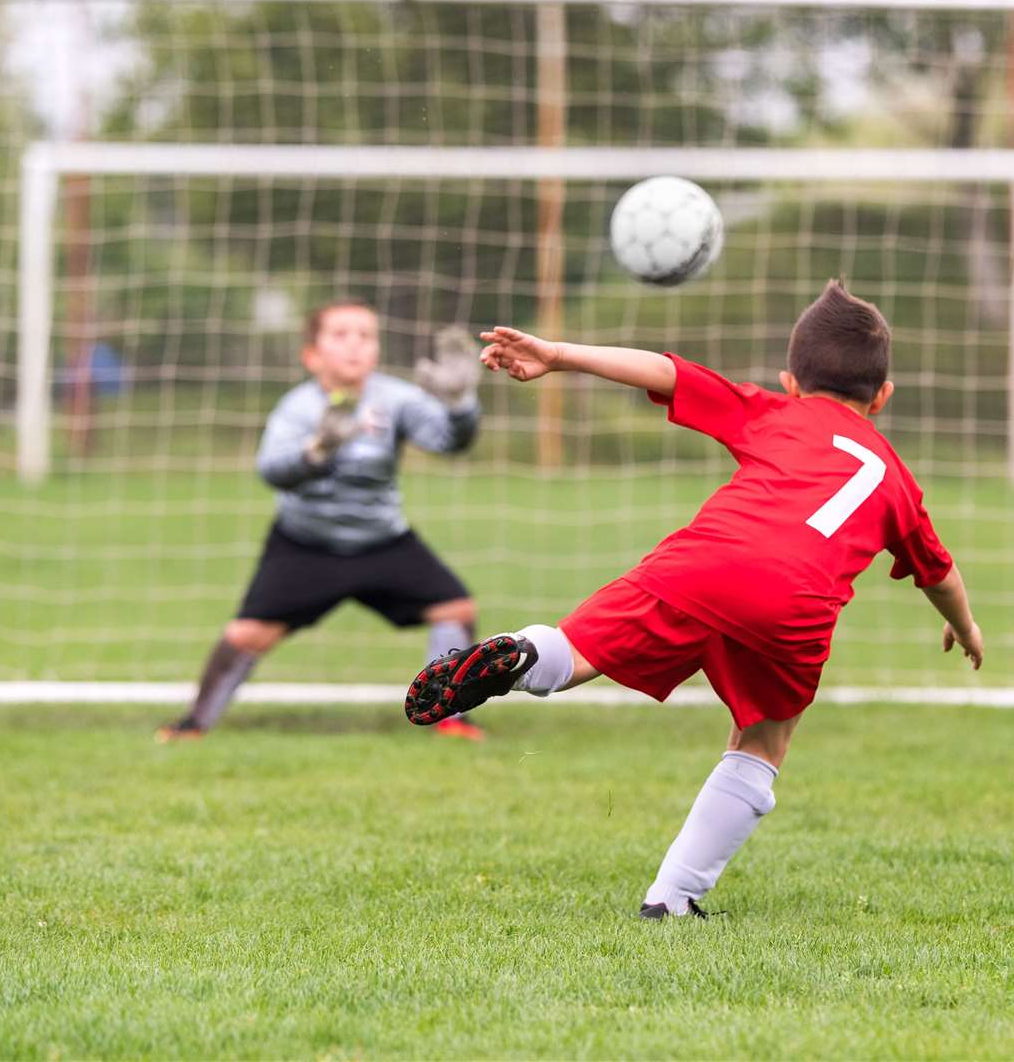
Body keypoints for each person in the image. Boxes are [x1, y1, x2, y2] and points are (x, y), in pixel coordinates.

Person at [403, 279, 984, 916]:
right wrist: (966, 625)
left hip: (703, 563)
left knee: (574, 652)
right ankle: (673, 899)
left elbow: (667, 372)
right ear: (883, 396)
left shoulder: (774, 411)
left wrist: (559, 354)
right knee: (763, 740)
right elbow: (940, 573)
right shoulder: (896, 479)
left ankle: (516, 656)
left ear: (791, 381)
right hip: (795, 606)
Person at [158, 301, 486, 742]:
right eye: (341, 335)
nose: (355, 345)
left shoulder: (396, 398)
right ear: (311, 354)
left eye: (365, 335)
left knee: (456, 610)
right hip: (305, 545)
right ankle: (193, 723)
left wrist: (461, 403)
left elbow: (450, 442)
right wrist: (315, 452)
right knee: (247, 634)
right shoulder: (296, 408)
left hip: (383, 541)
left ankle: (450, 718)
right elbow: (270, 471)